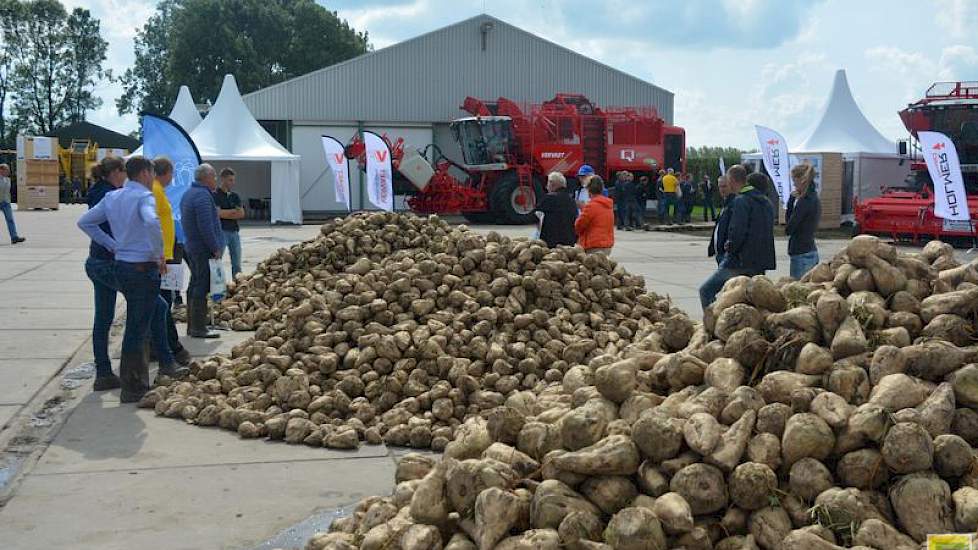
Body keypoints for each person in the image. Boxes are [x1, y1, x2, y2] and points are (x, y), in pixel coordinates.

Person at [78, 156, 170, 403]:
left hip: (122, 266)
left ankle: (113, 374)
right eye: (151, 174)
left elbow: (85, 222)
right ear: (144, 173)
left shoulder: (112, 197)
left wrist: (112, 244)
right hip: (142, 268)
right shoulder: (143, 198)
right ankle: (133, 386)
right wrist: (159, 253)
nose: (153, 179)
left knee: (124, 322)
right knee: (137, 330)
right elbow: (152, 221)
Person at [698, 165, 775, 309]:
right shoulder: (766, 202)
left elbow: (738, 230)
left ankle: (712, 325)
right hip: (760, 262)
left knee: (705, 291)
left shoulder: (741, 200)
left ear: (732, 180)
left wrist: (730, 246)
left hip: (740, 262)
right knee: (750, 301)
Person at [152, 157, 192, 366]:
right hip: (160, 259)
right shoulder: (155, 191)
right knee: (163, 305)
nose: (173, 177)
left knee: (162, 304)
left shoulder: (158, 190)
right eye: (172, 173)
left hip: (164, 256)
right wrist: (160, 255)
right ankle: (172, 349)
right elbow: (154, 225)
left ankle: (160, 348)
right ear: (164, 172)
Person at [181, 164, 225, 339]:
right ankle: (199, 328)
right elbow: (206, 226)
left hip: (192, 246)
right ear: (206, 177)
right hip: (202, 249)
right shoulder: (202, 196)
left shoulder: (189, 193)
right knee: (202, 285)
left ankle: (193, 326)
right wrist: (215, 247)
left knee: (195, 283)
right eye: (214, 176)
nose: (215, 180)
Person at [786, 164, 822, 279]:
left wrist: (790, 203)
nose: (793, 185)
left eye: (794, 181)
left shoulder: (804, 202)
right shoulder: (814, 198)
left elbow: (789, 228)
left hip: (801, 253)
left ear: (801, 180)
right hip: (810, 249)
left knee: (797, 292)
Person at [534, 172, 578, 248]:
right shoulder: (572, 201)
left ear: (552, 184)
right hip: (569, 244)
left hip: (551, 244)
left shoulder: (548, 199)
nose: (546, 187)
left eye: (547, 184)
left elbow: (535, 217)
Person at [215, 167, 245, 277]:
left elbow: (241, 213)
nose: (232, 183)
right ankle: (217, 286)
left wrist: (225, 213)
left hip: (234, 232)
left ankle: (238, 285)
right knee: (217, 261)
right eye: (230, 180)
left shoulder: (235, 196)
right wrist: (233, 211)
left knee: (236, 263)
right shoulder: (215, 195)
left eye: (233, 180)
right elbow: (218, 213)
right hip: (222, 231)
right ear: (222, 179)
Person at [574, 176, 614, 254]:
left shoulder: (591, 206)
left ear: (589, 190)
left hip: (593, 245)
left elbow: (579, 225)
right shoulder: (608, 205)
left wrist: (582, 209)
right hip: (606, 244)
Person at [706, 175, 733, 266]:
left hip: (726, 253)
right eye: (720, 186)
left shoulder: (733, 204)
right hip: (720, 252)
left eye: (724, 186)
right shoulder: (725, 204)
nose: (722, 189)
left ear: (731, 186)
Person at [0, 164, 25, 244]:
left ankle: (14, 237)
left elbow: (8, 191)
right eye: (6, 170)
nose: (8, 172)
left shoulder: (8, 179)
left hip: (6, 202)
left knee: (10, 220)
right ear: (1, 170)